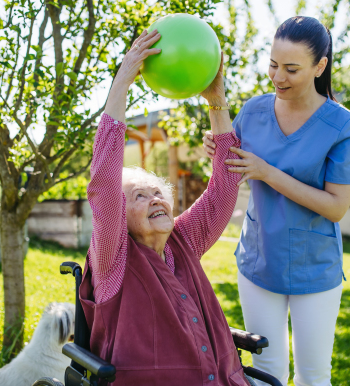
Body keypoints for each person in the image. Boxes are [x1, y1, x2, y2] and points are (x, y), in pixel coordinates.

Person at [79, 29, 251, 385]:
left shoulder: (182, 241)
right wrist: (123, 80)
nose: (155, 198)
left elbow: (225, 186)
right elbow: (105, 185)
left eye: (157, 192)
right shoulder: (114, 259)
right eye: (138, 196)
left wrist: (217, 101)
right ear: (120, 218)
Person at [203, 16, 350, 386]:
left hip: (315, 267)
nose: (277, 77)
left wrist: (268, 172)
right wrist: (214, 147)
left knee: (313, 374)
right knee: (264, 370)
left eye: (292, 68)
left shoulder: (342, 125)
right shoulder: (254, 111)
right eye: (273, 65)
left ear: (320, 66)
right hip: (259, 260)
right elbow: (230, 168)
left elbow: (336, 206)